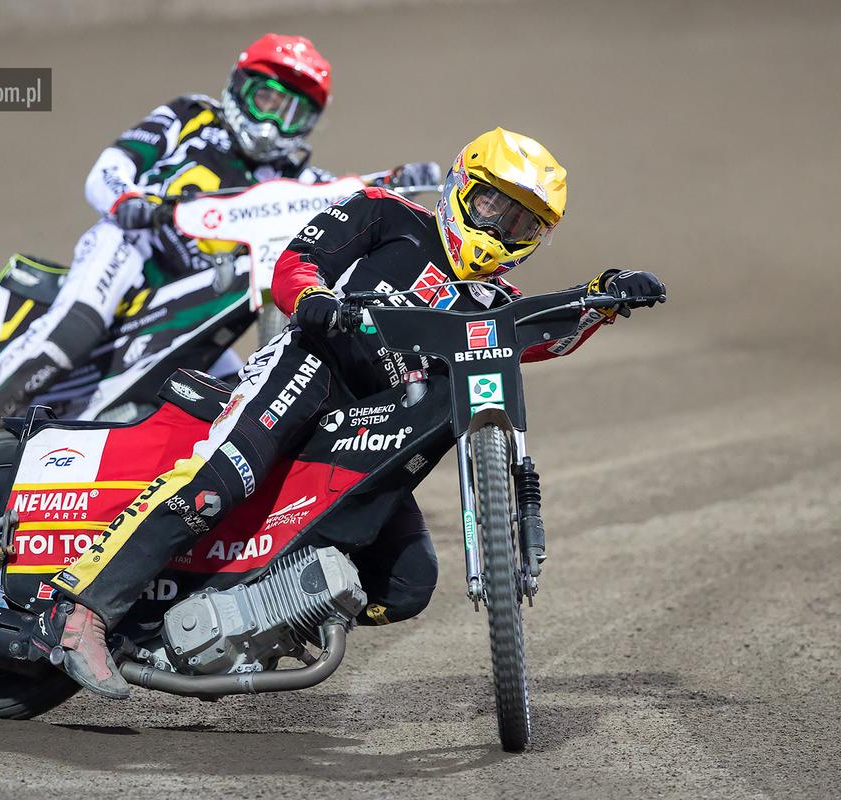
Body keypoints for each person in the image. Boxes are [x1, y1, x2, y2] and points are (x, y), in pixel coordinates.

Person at [33, 126, 665, 701]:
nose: (502, 230)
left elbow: (544, 337)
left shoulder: (494, 302)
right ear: (460, 186)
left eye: (523, 225)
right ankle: (79, 609)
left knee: (409, 584)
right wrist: (313, 298)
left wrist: (603, 299)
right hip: (312, 368)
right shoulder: (389, 214)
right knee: (220, 480)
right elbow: (296, 262)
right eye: (495, 206)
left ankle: (257, 616)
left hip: (372, 430)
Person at [0, 33, 440, 460]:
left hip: (198, 301)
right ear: (239, 87)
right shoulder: (191, 116)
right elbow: (110, 167)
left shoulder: (296, 180)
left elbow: (344, 198)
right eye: (266, 100)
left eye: (292, 113)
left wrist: (396, 181)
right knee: (72, 330)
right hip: (135, 247)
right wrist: (128, 200)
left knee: (231, 391)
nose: (272, 123)